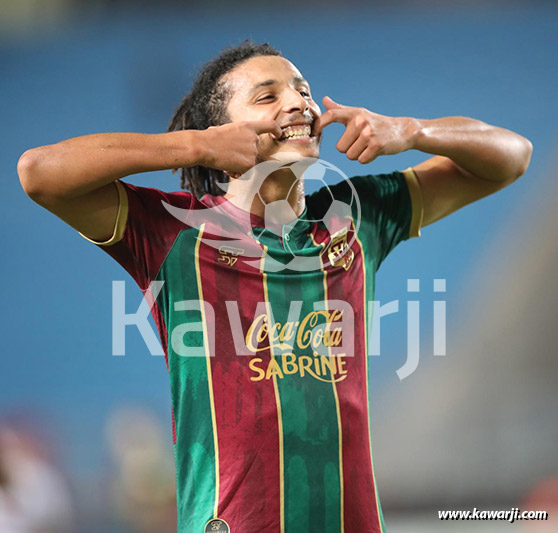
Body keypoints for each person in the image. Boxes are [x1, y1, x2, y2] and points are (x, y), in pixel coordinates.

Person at [17, 40, 532, 533]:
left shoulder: (358, 217)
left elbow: (511, 157)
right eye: (267, 96)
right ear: (221, 131)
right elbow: (38, 172)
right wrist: (194, 146)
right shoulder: (172, 232)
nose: (299, 103)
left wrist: (412, 131)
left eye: (303, 91)